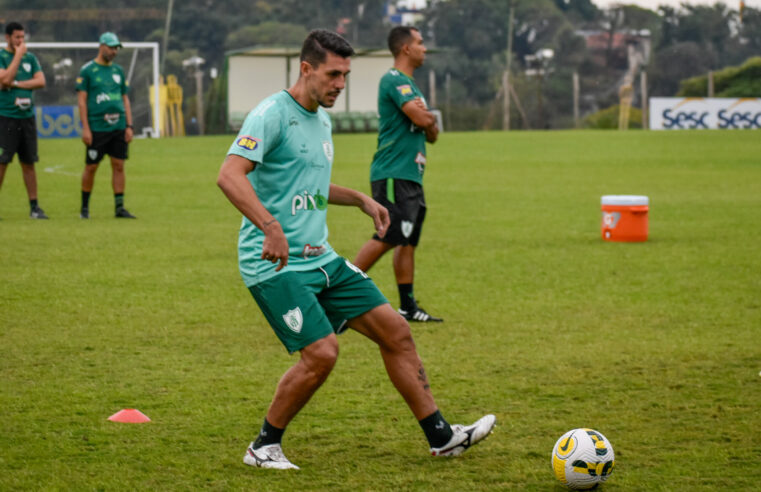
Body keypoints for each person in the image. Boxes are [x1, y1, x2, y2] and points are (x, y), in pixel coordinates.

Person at [217, 29, 495, 470]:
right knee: (323, 353)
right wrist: (269, 226)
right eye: (333, 74)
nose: (340, 85)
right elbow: (230, 174)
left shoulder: (321, 119)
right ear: (306, 68)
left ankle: (441, 437)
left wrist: (362, 200)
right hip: (274, 264)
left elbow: (306, 183)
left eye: (346, 76)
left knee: (396, 333)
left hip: (321, 258)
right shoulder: (270, 114)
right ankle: (263, 447)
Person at [353, 26, 441, 323]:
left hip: (411, 175)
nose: (424, 48)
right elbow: (423, 119)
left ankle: (408, 306)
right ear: (405, 48)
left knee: (407, 240)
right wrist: (427, 117)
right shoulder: (393, 80)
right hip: (393, 173)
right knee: (389, 234)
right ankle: (336, 296)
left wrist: (427, 118)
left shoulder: (412, 87)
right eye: (420, 42)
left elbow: (433, 134)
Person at [76, 32, 136, 219]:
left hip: (118, 126)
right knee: (91, 166)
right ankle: (84, 209)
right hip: (97, 128)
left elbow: (125, 99)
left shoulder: (118, 71)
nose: (114, 51)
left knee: (118, 165)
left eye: (116, 48)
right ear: (101, 46)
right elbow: (82, 102)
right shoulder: (87, 71)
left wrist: (129, 125)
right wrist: (85, 127)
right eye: (111, 47)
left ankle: (119, 207)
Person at [0, 22, 48, 219]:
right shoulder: (2, 57)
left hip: (26, 118)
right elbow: (4, 80)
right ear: (7, 38)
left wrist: (18, 83)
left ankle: (34, 207)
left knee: (29, 163)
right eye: (17, 37)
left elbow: (41, 81)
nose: (21, 41)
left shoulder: (32, 59)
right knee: (2, 162)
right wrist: (18, 55)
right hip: (6, 118)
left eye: (23, 37)